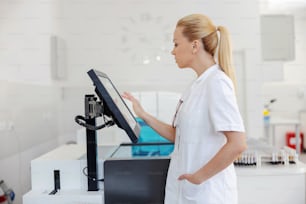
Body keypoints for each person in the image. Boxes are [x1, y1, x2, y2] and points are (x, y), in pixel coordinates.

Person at [122, 13, 247, 204]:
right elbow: (178, 135)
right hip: (189, 191)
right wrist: (143, 115)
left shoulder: (217, 83)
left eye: (176, 44)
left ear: (195, 45)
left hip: (207, 194)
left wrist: (199, 177)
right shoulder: (196, 86)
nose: (173, 51)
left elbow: (237, 144)